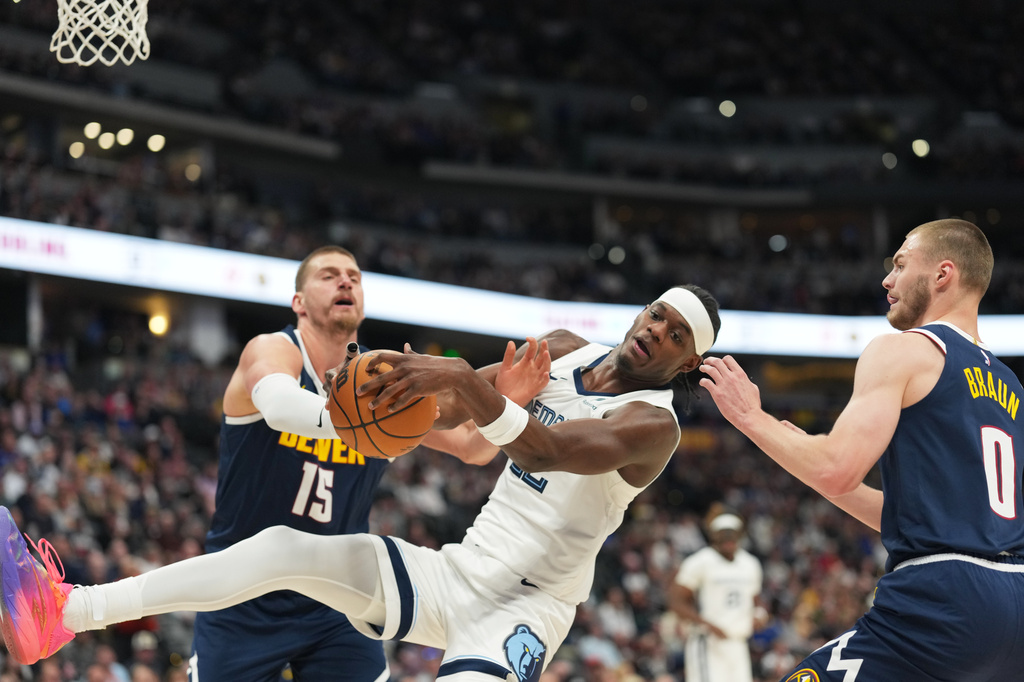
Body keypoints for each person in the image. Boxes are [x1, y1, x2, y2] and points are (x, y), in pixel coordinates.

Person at [0, 283, 721, 682]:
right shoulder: (561, 350)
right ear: (643, 309)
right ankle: (66, 612)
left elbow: (544, 449)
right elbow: (449, 409)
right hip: (459, 569)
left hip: (525, 609)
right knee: (282, 548)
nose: (658, 331)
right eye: (659, 314)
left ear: (689, 364)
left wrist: (459, 378)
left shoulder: (652, 426)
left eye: (677, 336)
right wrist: (387, 395)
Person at [699, 219, 1024, 681]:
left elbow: (836, 469)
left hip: (944, 600)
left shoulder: (904, 351)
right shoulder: (1011, 386)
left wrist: (752, 418)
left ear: (942, 274)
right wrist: (807, 461)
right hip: (1014, 606)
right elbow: (915, 515)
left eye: (901, 264)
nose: (888, 280)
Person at [668, 507, 767, 682]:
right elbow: (676, 602)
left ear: (739, 536)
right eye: (723, 537)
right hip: (708, 641)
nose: (728, 541)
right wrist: (706, 624)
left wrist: (760, 614)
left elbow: (756, 599)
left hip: (739, 642)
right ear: (714, 537)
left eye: (732, 536)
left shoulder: (750, 563)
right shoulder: (699, 561)